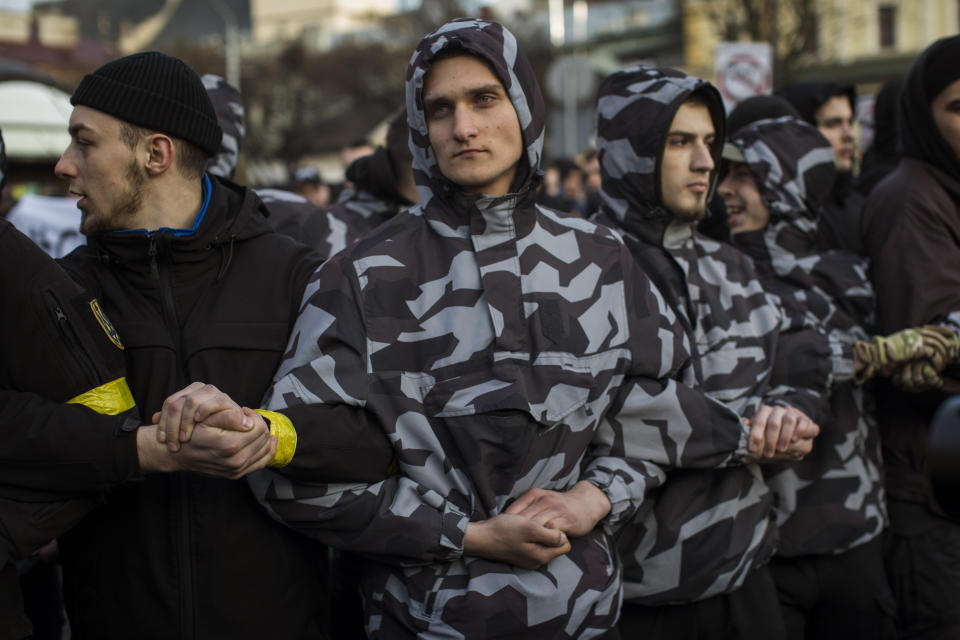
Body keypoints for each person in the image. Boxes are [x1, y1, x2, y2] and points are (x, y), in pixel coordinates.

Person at [243, 19, 811, 639]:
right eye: (440, 108)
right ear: (419, 127)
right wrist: (464, 535)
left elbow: (653, 418)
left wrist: (594, 498)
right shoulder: (359, 277)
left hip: (588, 619)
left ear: (523, 106)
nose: (463, 127)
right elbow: (288, 471)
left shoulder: (602, 258)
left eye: (484, 98)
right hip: (421, 623)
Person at [0, 51, 395, 639]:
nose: (63, 165)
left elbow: (375, 437)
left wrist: (265, 433)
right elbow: (15, 429)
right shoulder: (64, 290)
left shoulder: (300, 277)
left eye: (84, 142)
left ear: (155, 154)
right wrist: (136, 446)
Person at [591, 65, 819, 640]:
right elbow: (617, 412)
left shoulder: (732, 265)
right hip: (636, 597)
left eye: (709, 143)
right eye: (679, 142)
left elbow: (796, 346)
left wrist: (791, 407)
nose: (705, 163)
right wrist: (749, 434)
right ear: (629, 152)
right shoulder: (578, 269)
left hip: (747, 577)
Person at [719, 114, 901, 639]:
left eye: (744, 176)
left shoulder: (851, 275)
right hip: (764, 549)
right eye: (725, 176)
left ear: (788, 184)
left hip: (857, 538)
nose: (724, 190)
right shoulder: (718, 277)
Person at [860, 34, 960, 639]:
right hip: (930, 486)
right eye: (959, 107)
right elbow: (929, 348)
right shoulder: (910, 200)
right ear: (924, 117)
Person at [776, 81, 864, 253]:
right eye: (832, 124)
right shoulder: (782, 213)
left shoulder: (857, 205)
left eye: (849, 122)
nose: (849, 135)